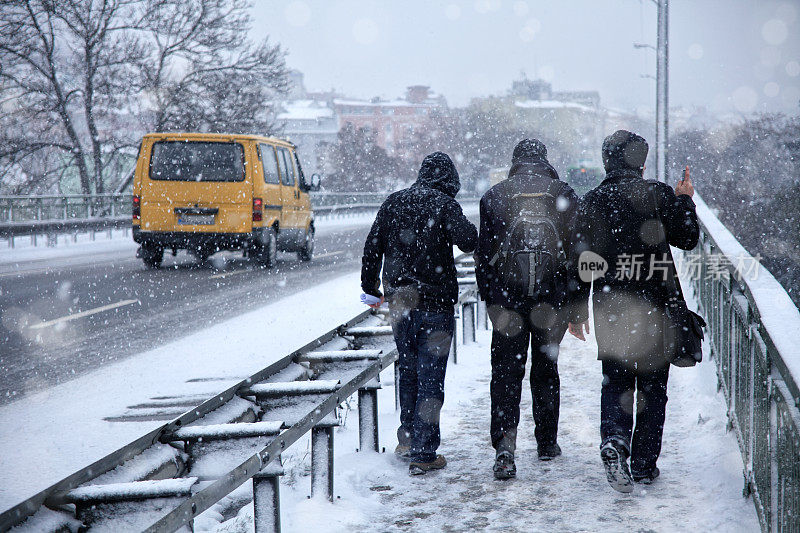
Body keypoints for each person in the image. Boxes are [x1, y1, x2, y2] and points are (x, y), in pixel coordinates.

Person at [569, 130, 698, 493]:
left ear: (606, 161)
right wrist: (684, 200)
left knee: (617, 380)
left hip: (611, 305)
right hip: (656, 304)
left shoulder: (593, 200)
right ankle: (643, 465)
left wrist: (577, 312)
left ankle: (614, 440)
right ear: (640, 162)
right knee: (654, 387)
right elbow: (688, 238)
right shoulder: (657, 193)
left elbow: (582, 260)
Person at [361, 151, 478, 476]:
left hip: (400, 303)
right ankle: (424, 453)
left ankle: (408, 439)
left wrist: (370, 288)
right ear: (449, 181)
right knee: (430, 376)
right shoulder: (444, 204)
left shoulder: (394, 202)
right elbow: (469, 241)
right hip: (435, 303)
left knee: (409, 370)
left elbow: (372, 247)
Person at [475, 139, 580, 480]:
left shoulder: (494, 196)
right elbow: (579, 254)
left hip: (508, 304)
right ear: (545, 160)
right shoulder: (562, 193)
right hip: (552, 303)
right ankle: (547, 442)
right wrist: (574, 304)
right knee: (546, 370)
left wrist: (492, 301)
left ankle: (505, 448)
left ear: (515, 160)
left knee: (506, 373)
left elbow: (484, 259)